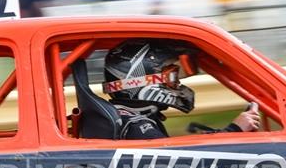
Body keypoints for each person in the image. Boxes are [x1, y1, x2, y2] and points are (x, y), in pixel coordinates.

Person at [102, 40, 261, 140]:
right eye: (171, 74)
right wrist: (234, 130)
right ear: (139, 78)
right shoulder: (138, 128)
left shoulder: (127, 117)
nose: (176, 82)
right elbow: (183, 167)